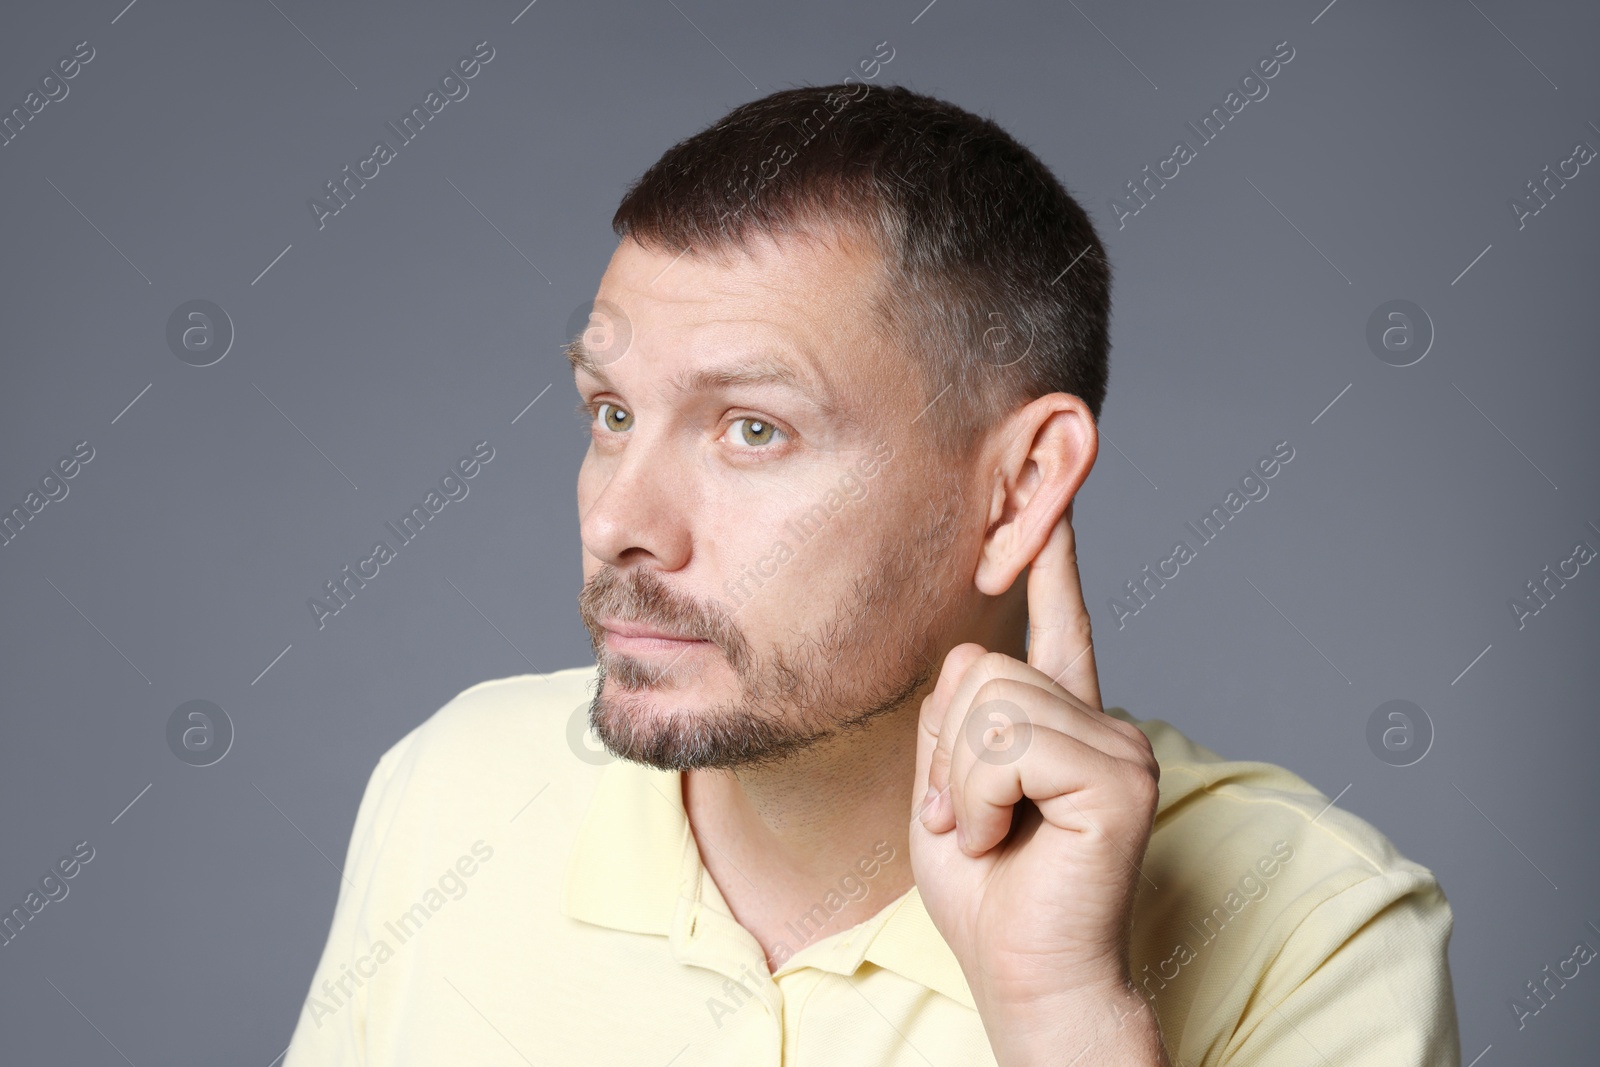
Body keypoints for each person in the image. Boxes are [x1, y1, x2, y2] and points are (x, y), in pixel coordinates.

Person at [283, 82, 1460, 1066]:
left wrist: (1064, 1011)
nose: (619, 524)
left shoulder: (1314, 921)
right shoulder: (456, 790)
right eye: (610, 412)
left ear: (1014, 491)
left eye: (752, 428)